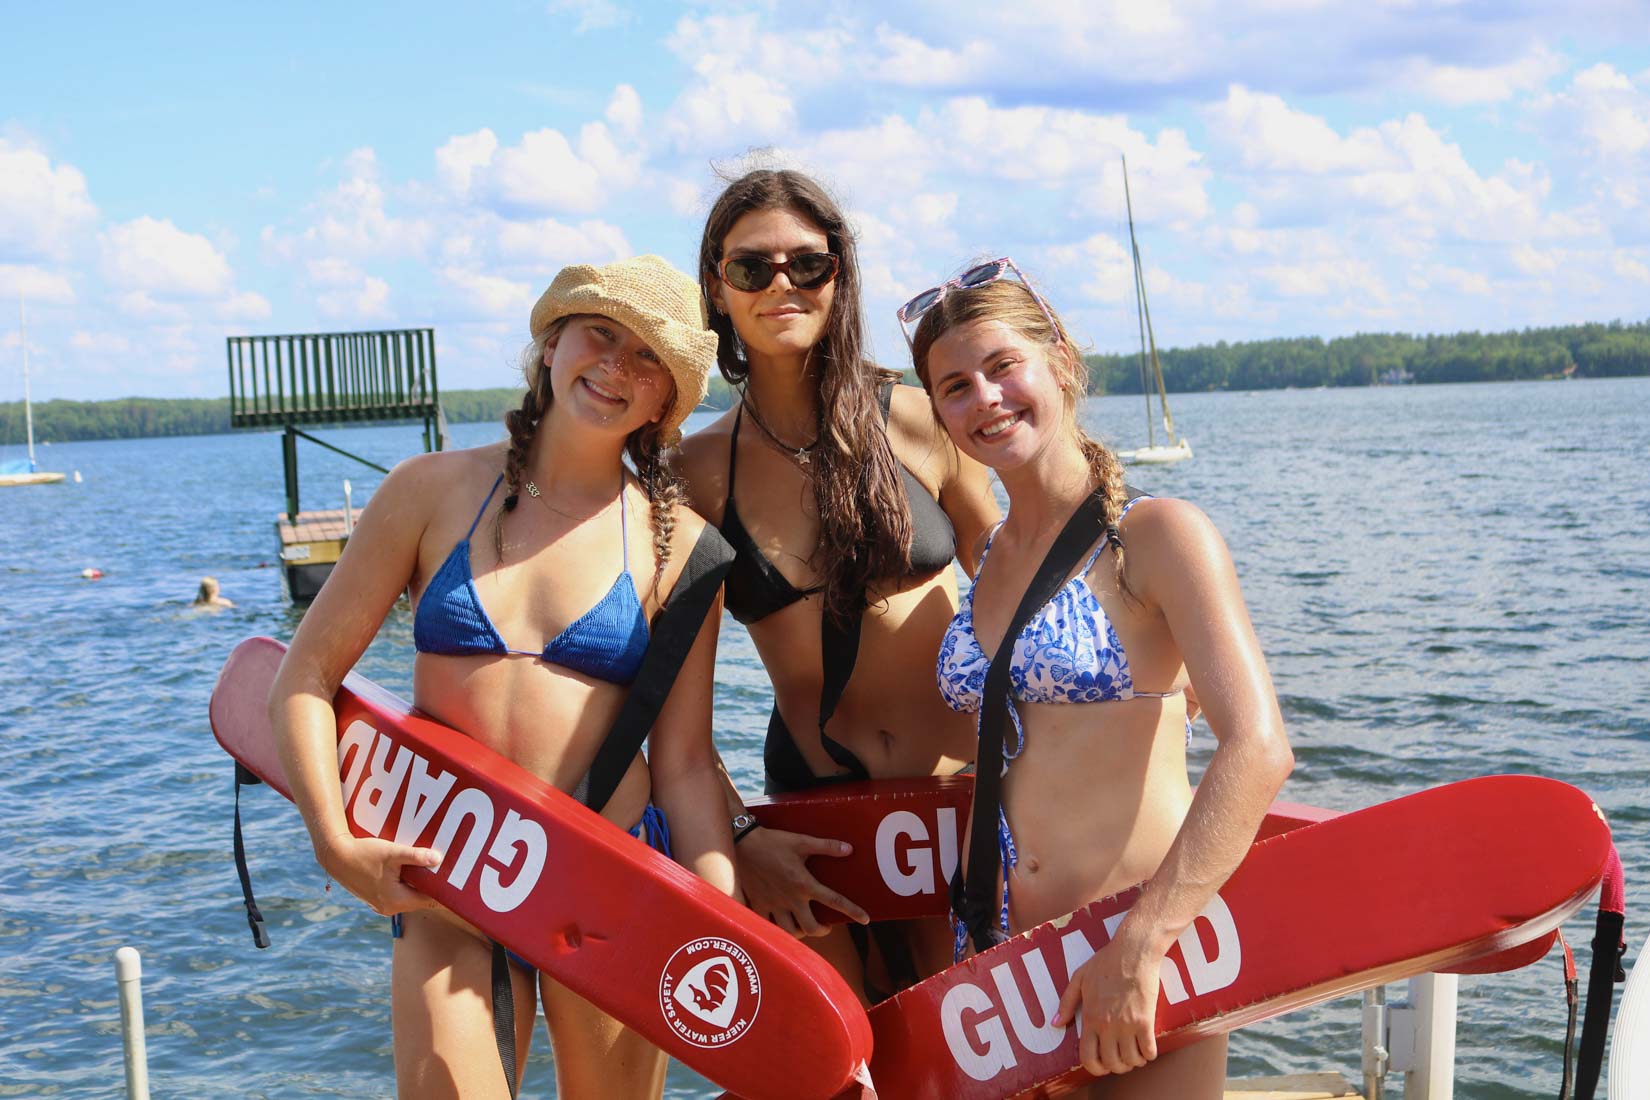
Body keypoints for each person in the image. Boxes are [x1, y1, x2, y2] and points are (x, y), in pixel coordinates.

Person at [268, 256, 730, 1099]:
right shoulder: (427, 491)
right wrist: (334, 843)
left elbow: (688, 765)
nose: (615, 367)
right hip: (449, 880)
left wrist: (724, 927)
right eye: (601, 334)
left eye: (646, 360)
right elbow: (303, 678)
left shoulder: (681, 548)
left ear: (666, 400)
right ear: (552, 341)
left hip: (609, 881)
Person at [906, 259, 1294, 1096]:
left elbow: (1259, 749)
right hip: (1005, 975)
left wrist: (1144, 941)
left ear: (1063, 364)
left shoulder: (1155, 538)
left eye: (1003, 367)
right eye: (955, 387)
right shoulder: (986, 559)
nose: (985, 399)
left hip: (1141, 962)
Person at [674, 169, 1000, 1001]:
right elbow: (668, 706)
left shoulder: (922, 417)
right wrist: (742, 837)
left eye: (806, 264)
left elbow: (1018, 579)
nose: (781, 284)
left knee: (996, 1067)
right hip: (820, 826)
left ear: (839, 274)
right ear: (717, 286)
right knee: (856, 1069)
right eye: (751, 267)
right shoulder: (698, 474)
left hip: (962, 801)